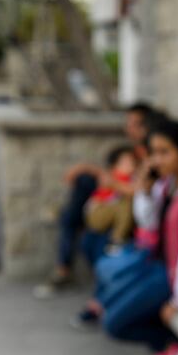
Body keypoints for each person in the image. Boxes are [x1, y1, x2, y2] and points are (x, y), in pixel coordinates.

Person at [76, 119, 178, 355]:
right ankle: (169, 346)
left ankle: (169, 345)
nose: (156, 160)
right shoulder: (167, 184)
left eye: (164, 152)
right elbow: (148, 224)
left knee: (114, 324)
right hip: (162, 268)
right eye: (153, 153)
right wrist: (144, 190)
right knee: (107, 303)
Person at [34, 103, 161, 298]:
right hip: (120, 202)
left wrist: (111, 182)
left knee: (85, 231)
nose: (129, 128)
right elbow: (117, 176)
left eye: (135, 124)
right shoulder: (135, 151)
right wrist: (90, 170)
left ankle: (69, 258)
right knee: (83, 184)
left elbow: (139, 189)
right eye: (128, 123)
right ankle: (69, 220)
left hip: (133, 212)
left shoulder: (151, 155)